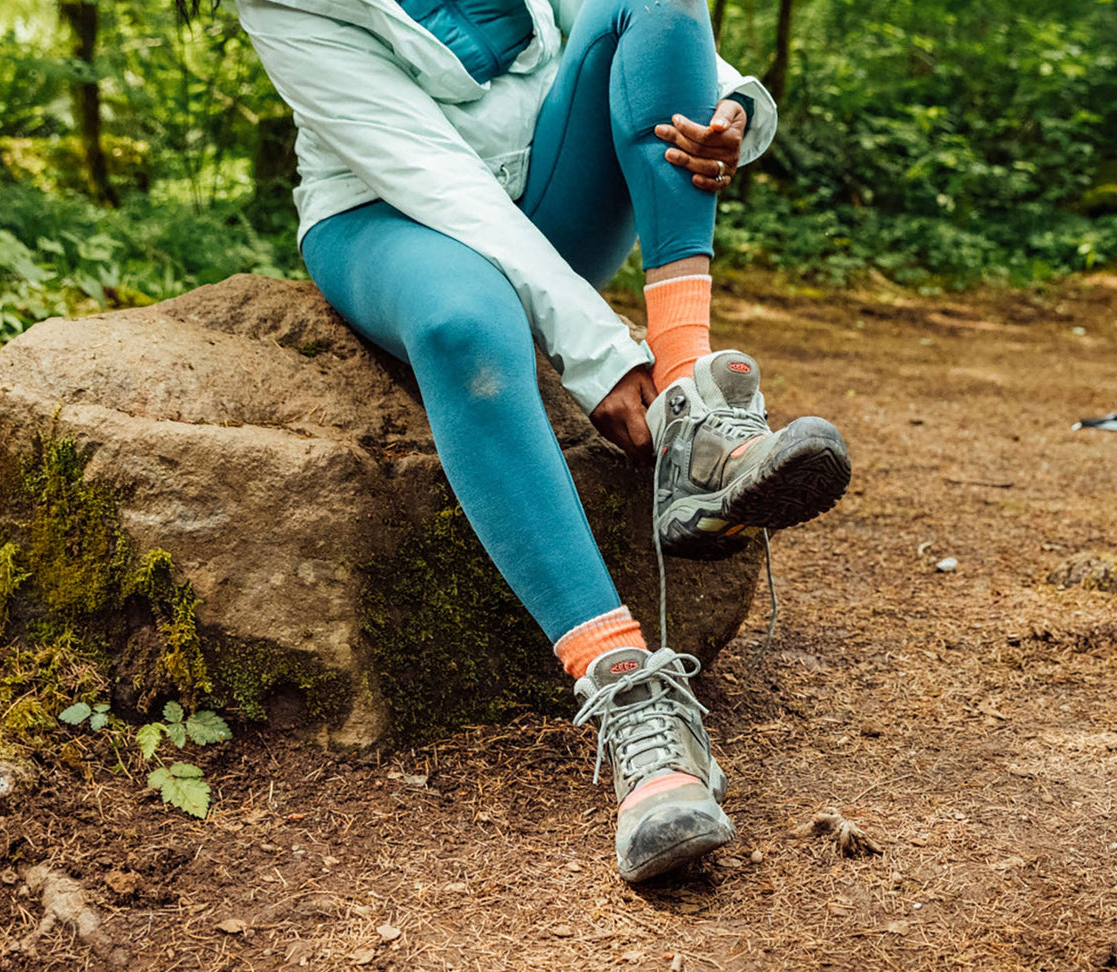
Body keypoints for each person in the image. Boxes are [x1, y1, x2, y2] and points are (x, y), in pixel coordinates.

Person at [235, 0, 850, 881]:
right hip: (392, 214)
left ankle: (693, 410)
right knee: (464, 330)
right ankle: (631, 700)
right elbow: (437, 179)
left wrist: (730, 109)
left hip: (552, 180)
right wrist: (595, 350)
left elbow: (627, 32)